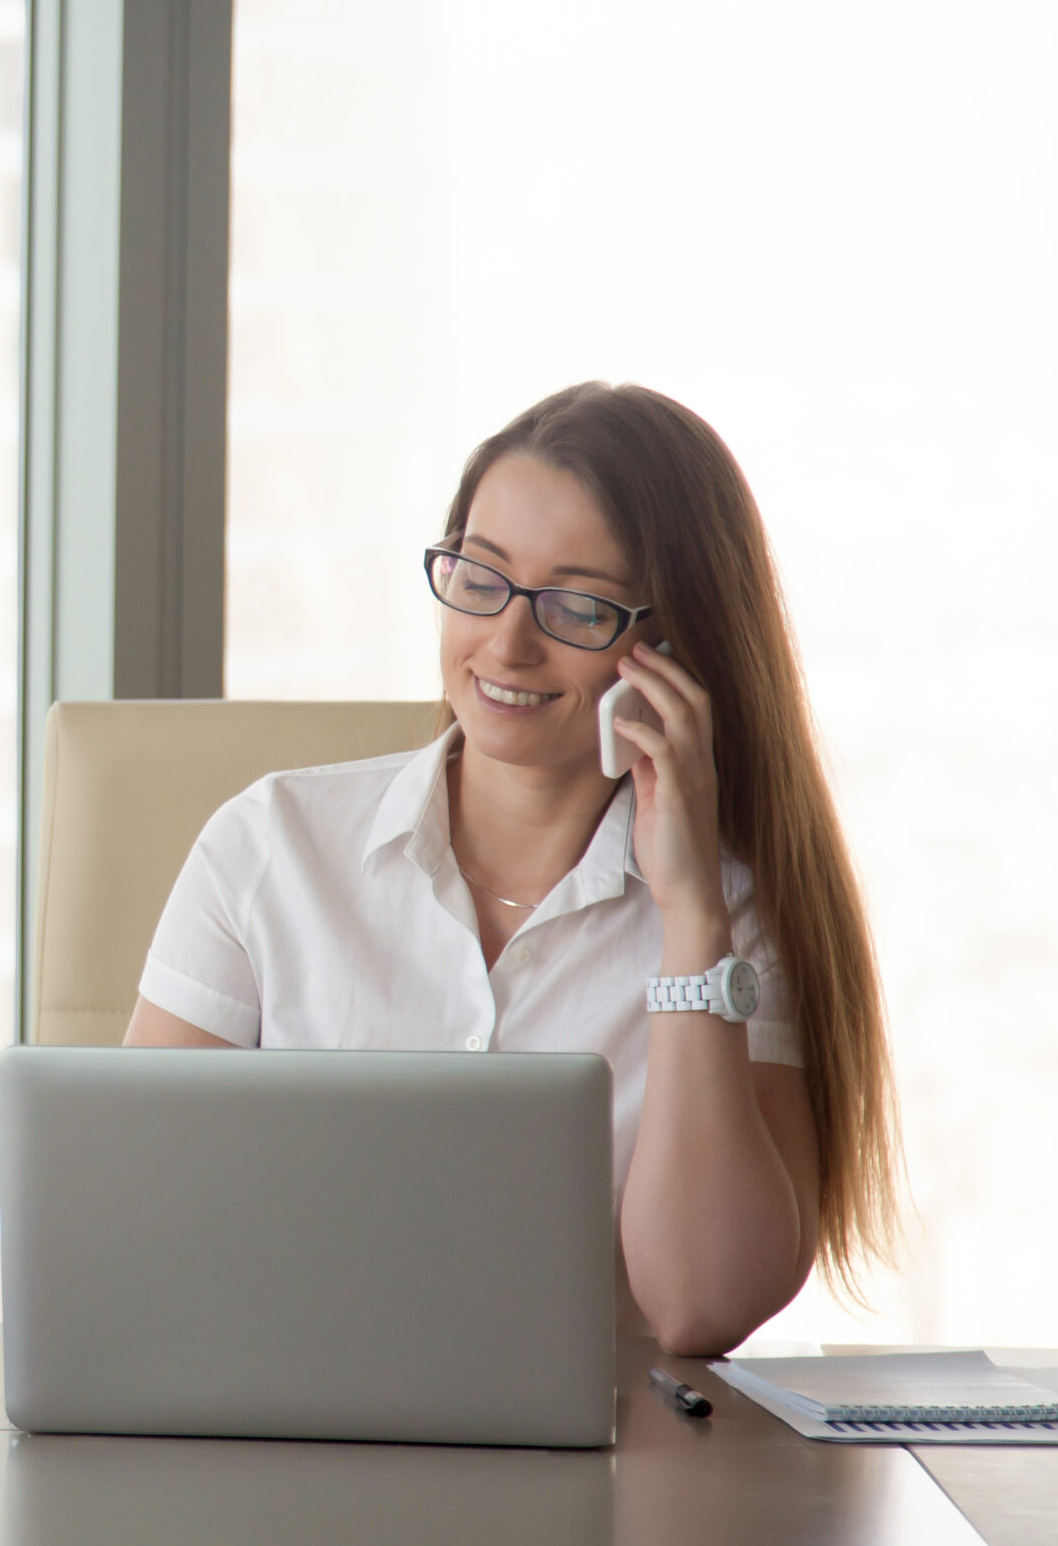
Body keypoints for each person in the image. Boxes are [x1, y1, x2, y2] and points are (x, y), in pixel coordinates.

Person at [124, 382, 899, 1356]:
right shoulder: (268, 847)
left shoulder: (731, 917)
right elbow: (134, 1222)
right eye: (478, 577)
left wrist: (692, 917)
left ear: (671, 649)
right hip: (288, 1444)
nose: (506, 641)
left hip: (606, 1487)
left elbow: (701, 1304)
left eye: (576, 605)